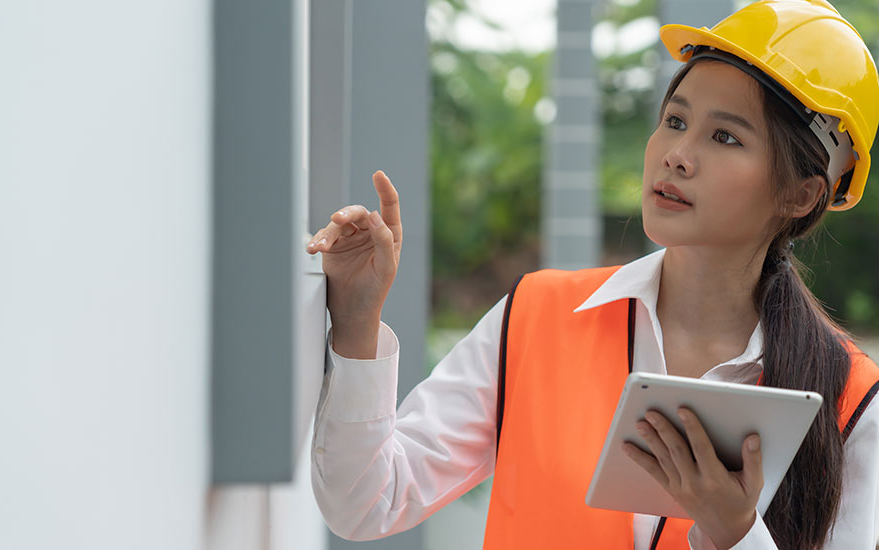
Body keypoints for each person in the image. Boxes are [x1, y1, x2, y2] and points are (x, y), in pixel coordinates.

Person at [305, 0, 879, 548]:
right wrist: (357, 320)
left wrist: (736, 533)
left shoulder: (849, 398)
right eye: (675, 120)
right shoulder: (535, 316)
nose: (677, 154)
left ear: (801, 195)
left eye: (724, 136)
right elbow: (367, 502)